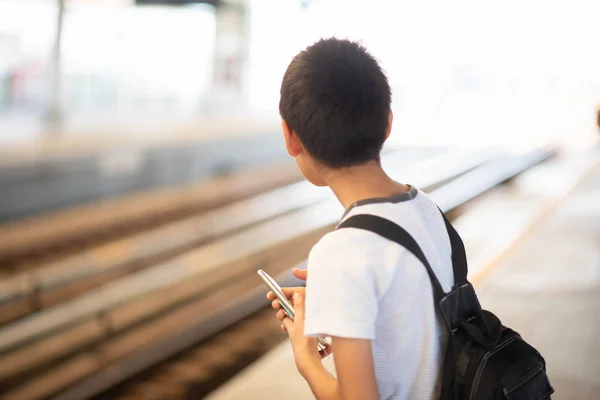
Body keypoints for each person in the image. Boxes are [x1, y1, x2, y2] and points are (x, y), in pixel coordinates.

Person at [267, 37, 455, 400]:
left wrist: (307, 360)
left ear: (290, 137)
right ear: (387, 124)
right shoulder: (426, 208)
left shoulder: (342, 253)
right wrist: (346, 302)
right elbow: (415, 334)